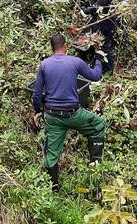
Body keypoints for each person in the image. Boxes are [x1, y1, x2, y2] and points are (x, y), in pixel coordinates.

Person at [32, 33, 106, 191]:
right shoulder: (75, 62)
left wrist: (38, 111)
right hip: (73, 114)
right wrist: (98, 59)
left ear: (52, 48)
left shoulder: (44, 64)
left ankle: (55, 188)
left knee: (51, 155)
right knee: (99, 125)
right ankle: (95, 164)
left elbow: (37, 94)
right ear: (65, 46)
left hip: (52, 116)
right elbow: (95, 76)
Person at [83, 0, 119, 73]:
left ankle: (107, 70)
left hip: (102, 18)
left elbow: (102, 1)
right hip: (109, 15)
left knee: (101, 43)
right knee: (103, 42)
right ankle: (103, 67)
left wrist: (88, 10)